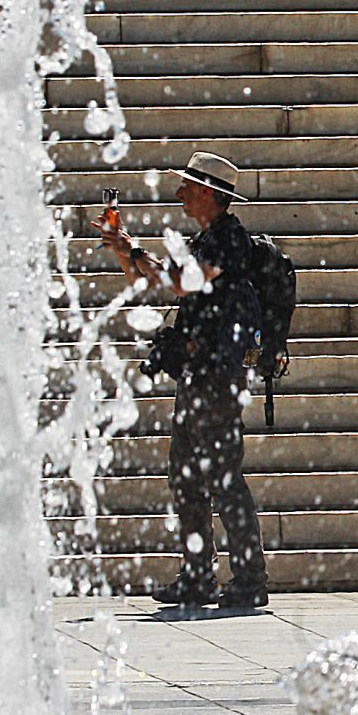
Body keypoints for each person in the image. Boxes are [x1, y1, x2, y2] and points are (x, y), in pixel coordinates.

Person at [99, 151, 269, 611]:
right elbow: (156, 280)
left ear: (212, 194)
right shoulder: (206, 239)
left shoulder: (230, 241)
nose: (180, 194)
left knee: (223, 475)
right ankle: (197, 575)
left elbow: (182, 283)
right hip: (198, 375)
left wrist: (136, 252)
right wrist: (124, 249)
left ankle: (249, 578)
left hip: (219, 376)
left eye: (189, 187)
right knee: (186, 475)